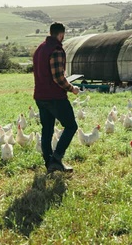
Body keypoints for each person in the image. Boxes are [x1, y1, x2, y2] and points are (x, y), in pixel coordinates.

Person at [33, 22, 80, 173]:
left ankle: (49, 164)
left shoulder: (40, 49)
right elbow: (58, 77)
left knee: (47, 130)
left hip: (40, 96)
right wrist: (72, 88)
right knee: (71, 126)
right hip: (55, 97)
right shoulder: (57, 50)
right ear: (61, 34)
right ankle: (57, 158)